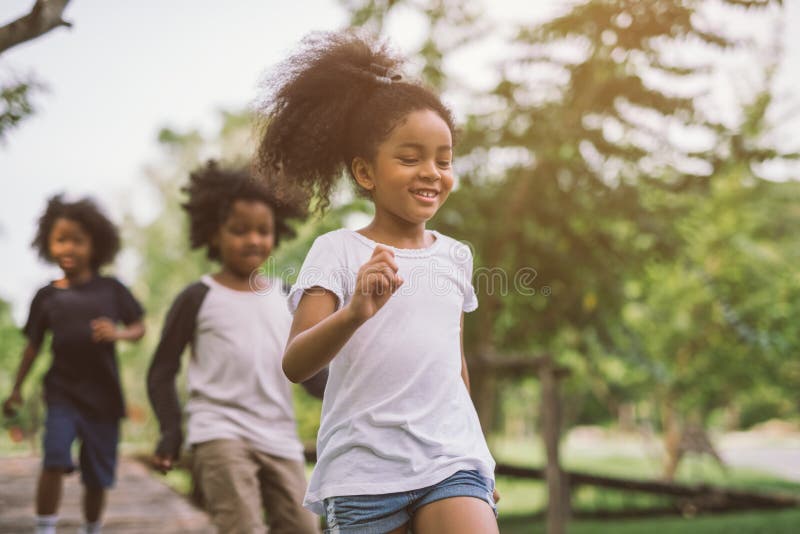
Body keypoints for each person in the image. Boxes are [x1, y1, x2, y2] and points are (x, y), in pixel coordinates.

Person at [255, 31, 499, 534]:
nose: (431, 172)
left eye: (444, 159)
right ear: (365, 172)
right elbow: (296, 363)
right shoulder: (337, 251)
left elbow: (454, 365)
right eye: (410, 158)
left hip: (450, 462)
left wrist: (478, 454)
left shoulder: (456, 256)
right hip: (364, 475)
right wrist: (354, 312)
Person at [146, 161, 325, 534]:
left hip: (279, 434)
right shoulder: (197, 297)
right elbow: (162, 369)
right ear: (214, 234)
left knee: (305, 527)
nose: (253, 240)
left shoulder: (287, 297)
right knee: (241, 527)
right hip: (219, 432)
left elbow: (309, 372)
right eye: (239, 231)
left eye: (263, 231)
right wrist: (170, 430)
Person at [2, 195, 145, 534]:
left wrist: (118, 334)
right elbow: (33, 346)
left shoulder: (111, 289)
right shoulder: (46, 296)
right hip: (62, 392)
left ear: (95, 244)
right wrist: (17, 389)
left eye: (77, 240)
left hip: (104, 396)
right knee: (53, 457)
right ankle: (45, 528)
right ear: (47, 244)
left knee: (97, 474)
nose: (68, 247)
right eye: (60, 239)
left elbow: (139, 327)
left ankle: (91, 528)